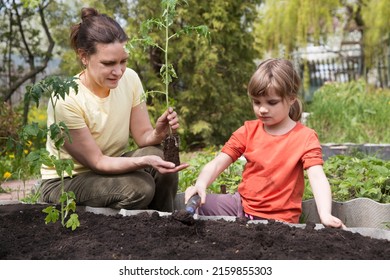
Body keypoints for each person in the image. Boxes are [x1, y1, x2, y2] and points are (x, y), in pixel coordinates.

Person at [40, 7, 188, 212]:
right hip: (68, 181)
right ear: (84, 56)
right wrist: (144, 161)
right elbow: (98, 162)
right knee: (139, 187)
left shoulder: (130, 79)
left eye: (123, 61)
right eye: (108, 63)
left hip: (112, 166)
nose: (118, 72)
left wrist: (157, 133)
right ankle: (123, 231)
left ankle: (163, 224)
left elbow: (143, 137)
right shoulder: (66, 100)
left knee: (164, 161)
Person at [184, 58, 345, 228]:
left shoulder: (305, 137)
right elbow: (218, 163)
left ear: (291, 98)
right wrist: (200, 184)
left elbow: (317, 177)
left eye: (271, 102)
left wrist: (325, 215)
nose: (262, 109)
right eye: (256, 102)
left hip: (279, 221)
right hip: (240, 207)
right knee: (193, 204)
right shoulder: (248, 130)